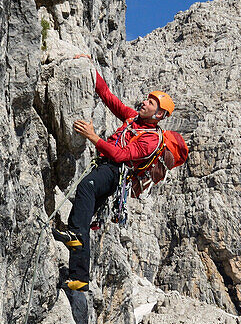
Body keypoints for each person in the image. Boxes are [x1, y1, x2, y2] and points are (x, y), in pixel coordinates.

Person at [58, 55, 175, 291]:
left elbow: (121, 156)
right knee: (82, 209)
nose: (145, 102)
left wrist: (93, 137)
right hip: (105, 167)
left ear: (159, 114)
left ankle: (74, 238)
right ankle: (79, 277)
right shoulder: (133, 120)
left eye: (151, 103)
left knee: (86, 188)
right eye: (147, 99)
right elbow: (109, 98)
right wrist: (92, 70)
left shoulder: (152, 139)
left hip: (114, 173)